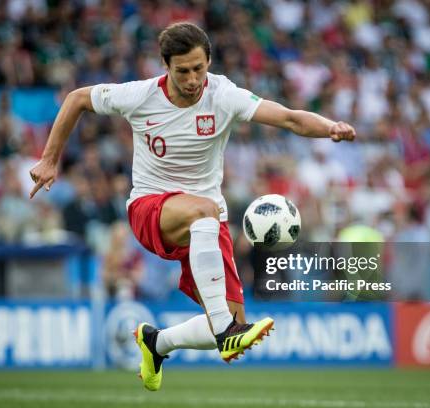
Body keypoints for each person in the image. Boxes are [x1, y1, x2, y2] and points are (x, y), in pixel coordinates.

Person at [29, 22, 355, 391]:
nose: (192, 78)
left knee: (230, 317)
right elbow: (76, 99)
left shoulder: (224, 95)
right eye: (182, 70)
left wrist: (330, 127)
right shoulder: (139, 96)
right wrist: (50, 159)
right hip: (150, 209)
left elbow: (290, 118)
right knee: (207, 221)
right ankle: (226, 329)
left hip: (205, 224)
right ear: (166, 66)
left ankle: (157, 342)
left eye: (199, 68)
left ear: (209, 62)